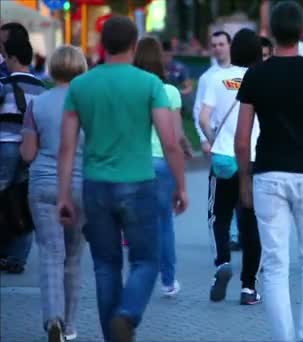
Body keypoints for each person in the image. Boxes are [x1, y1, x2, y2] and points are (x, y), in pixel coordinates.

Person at [57, 16, 188, 341]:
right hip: (138, 183)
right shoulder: (150, 84)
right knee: (146, 260)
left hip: (95, 185)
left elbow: (67, 146)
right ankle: (127, 314)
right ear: (133, 45)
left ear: (102, 45)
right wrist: (181, 185)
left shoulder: (80, 85)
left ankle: (112, 336)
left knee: (105, 265)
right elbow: (170, 141)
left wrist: (63, 196)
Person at [234, 1, 303, 340]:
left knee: (274, 263)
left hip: (268, 174)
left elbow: (242, 140)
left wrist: (245, 180)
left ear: (269, 32)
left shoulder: (256, 74)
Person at [19, 45, 87, 342]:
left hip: (43, 184)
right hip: (80, 186)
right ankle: (70, 326)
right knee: (72, 258)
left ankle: (52, 320)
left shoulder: (37, 103)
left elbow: (27, 152)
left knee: (50, 253)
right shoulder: (90, 104)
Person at [198, 28, 263, 306]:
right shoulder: (262, 78)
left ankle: (222, 262)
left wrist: (215, 140)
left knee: (219, 217)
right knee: (251, 223)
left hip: (224, 158)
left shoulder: (217, 78)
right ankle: (249, 287)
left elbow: (203, 117)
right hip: (254, 159)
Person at [133, 36, 191, 297]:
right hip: (163, 163)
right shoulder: (169, 92)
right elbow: (175, 137)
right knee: (164, 222)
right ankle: (168, 281)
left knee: (135, 223)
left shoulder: (129, 90)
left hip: (133, 162)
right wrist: (182, 185)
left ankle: (137, 278)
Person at [0, 38, 45, 274]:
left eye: (6, 57)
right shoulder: (40, 88)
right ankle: (18, 257)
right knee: (22, 201)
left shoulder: (5, 84)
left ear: (14, 58)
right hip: (30, 149)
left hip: (5, 144)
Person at [193, 31, 231, 155]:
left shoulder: (242, 72)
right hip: (217, 139)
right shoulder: (206, 78)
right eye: (214, 45)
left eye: (221, 44)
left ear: (230, 45)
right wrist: (204, 139)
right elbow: (198, 109)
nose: (217, 48)